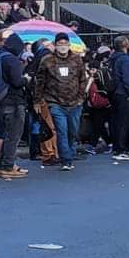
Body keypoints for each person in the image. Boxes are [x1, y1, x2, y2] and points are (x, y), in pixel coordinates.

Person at [36, 32, 88, 171]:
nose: (63, 46)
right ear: (55, 45)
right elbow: (40, 81)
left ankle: (70, 152)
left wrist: (81, 98)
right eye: (60, 44)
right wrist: (38, 99)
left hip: (75, 102)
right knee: (62, 130)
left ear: (69, 45)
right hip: (55, 102)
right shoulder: (47, 60)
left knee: (73, 131)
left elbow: (83, 79)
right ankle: (66, 159)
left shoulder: (77, 60)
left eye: (65, 43)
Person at [0, 32, 31, 179]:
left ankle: (1, 164)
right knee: (14, 135)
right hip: (13, 101)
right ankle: (8, 165)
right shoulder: (11, 60)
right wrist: (26, 79)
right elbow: (17, 82)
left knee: (6, 134)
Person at [108, 38, 129, 160]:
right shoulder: (125, 59)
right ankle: (121, 149)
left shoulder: (113, 58)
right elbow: (126, 77)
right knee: (124, 122)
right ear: (125, 45)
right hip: (124, 93)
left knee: (117, 121)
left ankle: (121, 147)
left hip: (115, 92)